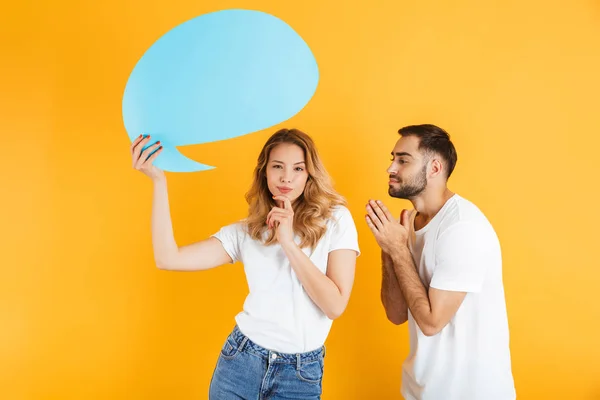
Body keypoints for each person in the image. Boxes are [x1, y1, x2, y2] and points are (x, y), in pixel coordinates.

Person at [130, 128, 360, 400]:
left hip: (299, 374)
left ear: (310, 174)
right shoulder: (246, 232)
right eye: (277, 167)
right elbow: (168, 259)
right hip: (240, 362)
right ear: (264, 172)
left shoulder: (335, 221)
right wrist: (158, 181)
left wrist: (287, 242)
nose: (286, 177)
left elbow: (334, 306)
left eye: (298, 168)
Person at [364, 124, 516, 400]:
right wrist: (389, 249)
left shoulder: (461, 227)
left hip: (469, 393)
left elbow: (432, 323)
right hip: (421, 390)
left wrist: (398, 250)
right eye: (392, 158)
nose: (390, 168)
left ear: (434, 168)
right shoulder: (411, 224)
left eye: (402, 159)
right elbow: (396, 314)